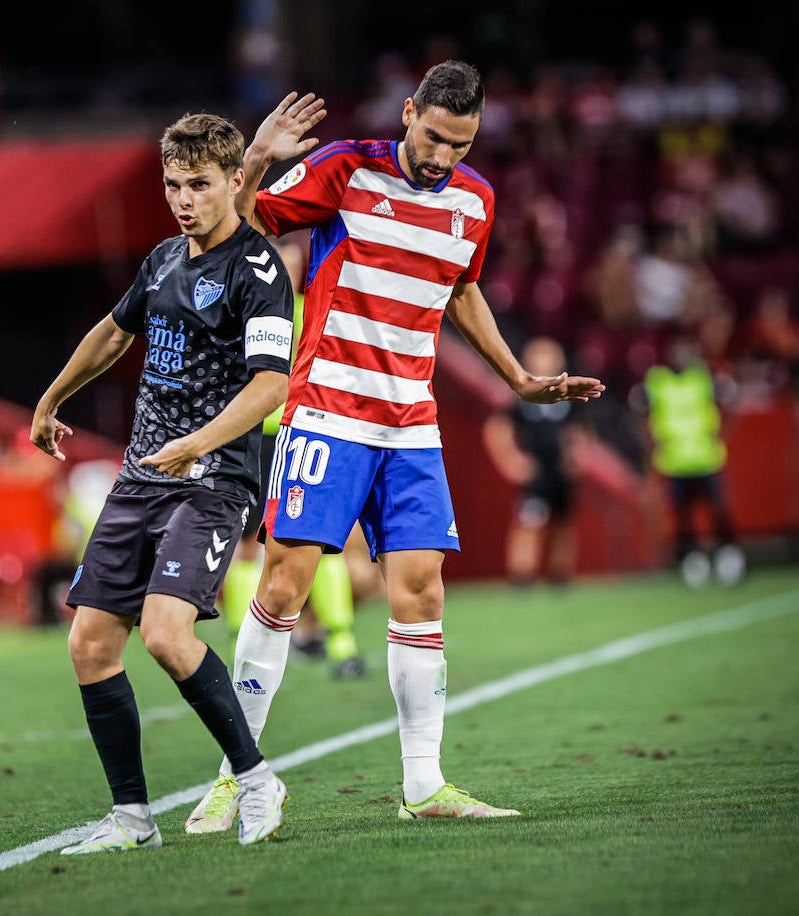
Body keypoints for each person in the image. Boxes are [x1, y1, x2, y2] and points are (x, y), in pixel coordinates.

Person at [186, 63, 605, 831]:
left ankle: (424, 787)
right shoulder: (346, 168)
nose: (444, 157)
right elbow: (234, 233)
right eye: (436, 137)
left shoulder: (475, 200)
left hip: (411, 424)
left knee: (422, 594)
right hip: (326, 413)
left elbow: (462, 290)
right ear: (409, 113)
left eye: (463, 143)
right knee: (284, 587)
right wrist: (257, 159)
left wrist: (516, 377)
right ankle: (232, 778)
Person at [31, 111, 294, 852]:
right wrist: (52, 400)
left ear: (234, 181)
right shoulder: (161, 261)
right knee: (88, 642)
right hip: (144, 475)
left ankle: (256, 780)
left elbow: (269, 387)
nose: (183, 199)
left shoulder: (259, 270)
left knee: (165, 633)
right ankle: (131, 819)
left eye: (199, 185)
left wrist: (196, 446)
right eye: (173, 184)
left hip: (213, 479)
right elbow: (114, 334)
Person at [219, 235, 382, 679]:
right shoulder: (244, 310)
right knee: (249, 547)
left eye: (290, 263)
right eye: (276, 263)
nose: (283, 272)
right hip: (253, 440)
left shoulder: (315, 308)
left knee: (321, 544)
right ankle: (244, 641)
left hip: (307, 435)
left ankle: (340, 643)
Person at [637, 333, 744, 587]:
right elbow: (643, 415)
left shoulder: (704, 377)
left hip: (707, 458)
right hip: (674, 462)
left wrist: (718, 435)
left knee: (718, 510)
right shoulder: (657, 381)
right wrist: (654, 443)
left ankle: (728, 555)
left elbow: (730, 405)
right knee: (683, 516)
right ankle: (691, 559)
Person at [482, 336, 589, 587]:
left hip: (559, 469)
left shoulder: (567, 397)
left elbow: (581, 431)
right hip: (536, 471)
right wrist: (511, 460)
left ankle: (560, 574)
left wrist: (577, 456)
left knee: (563, 521)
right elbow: (498, 427)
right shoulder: (523, 396)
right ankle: (522, 575)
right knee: (529, 521)